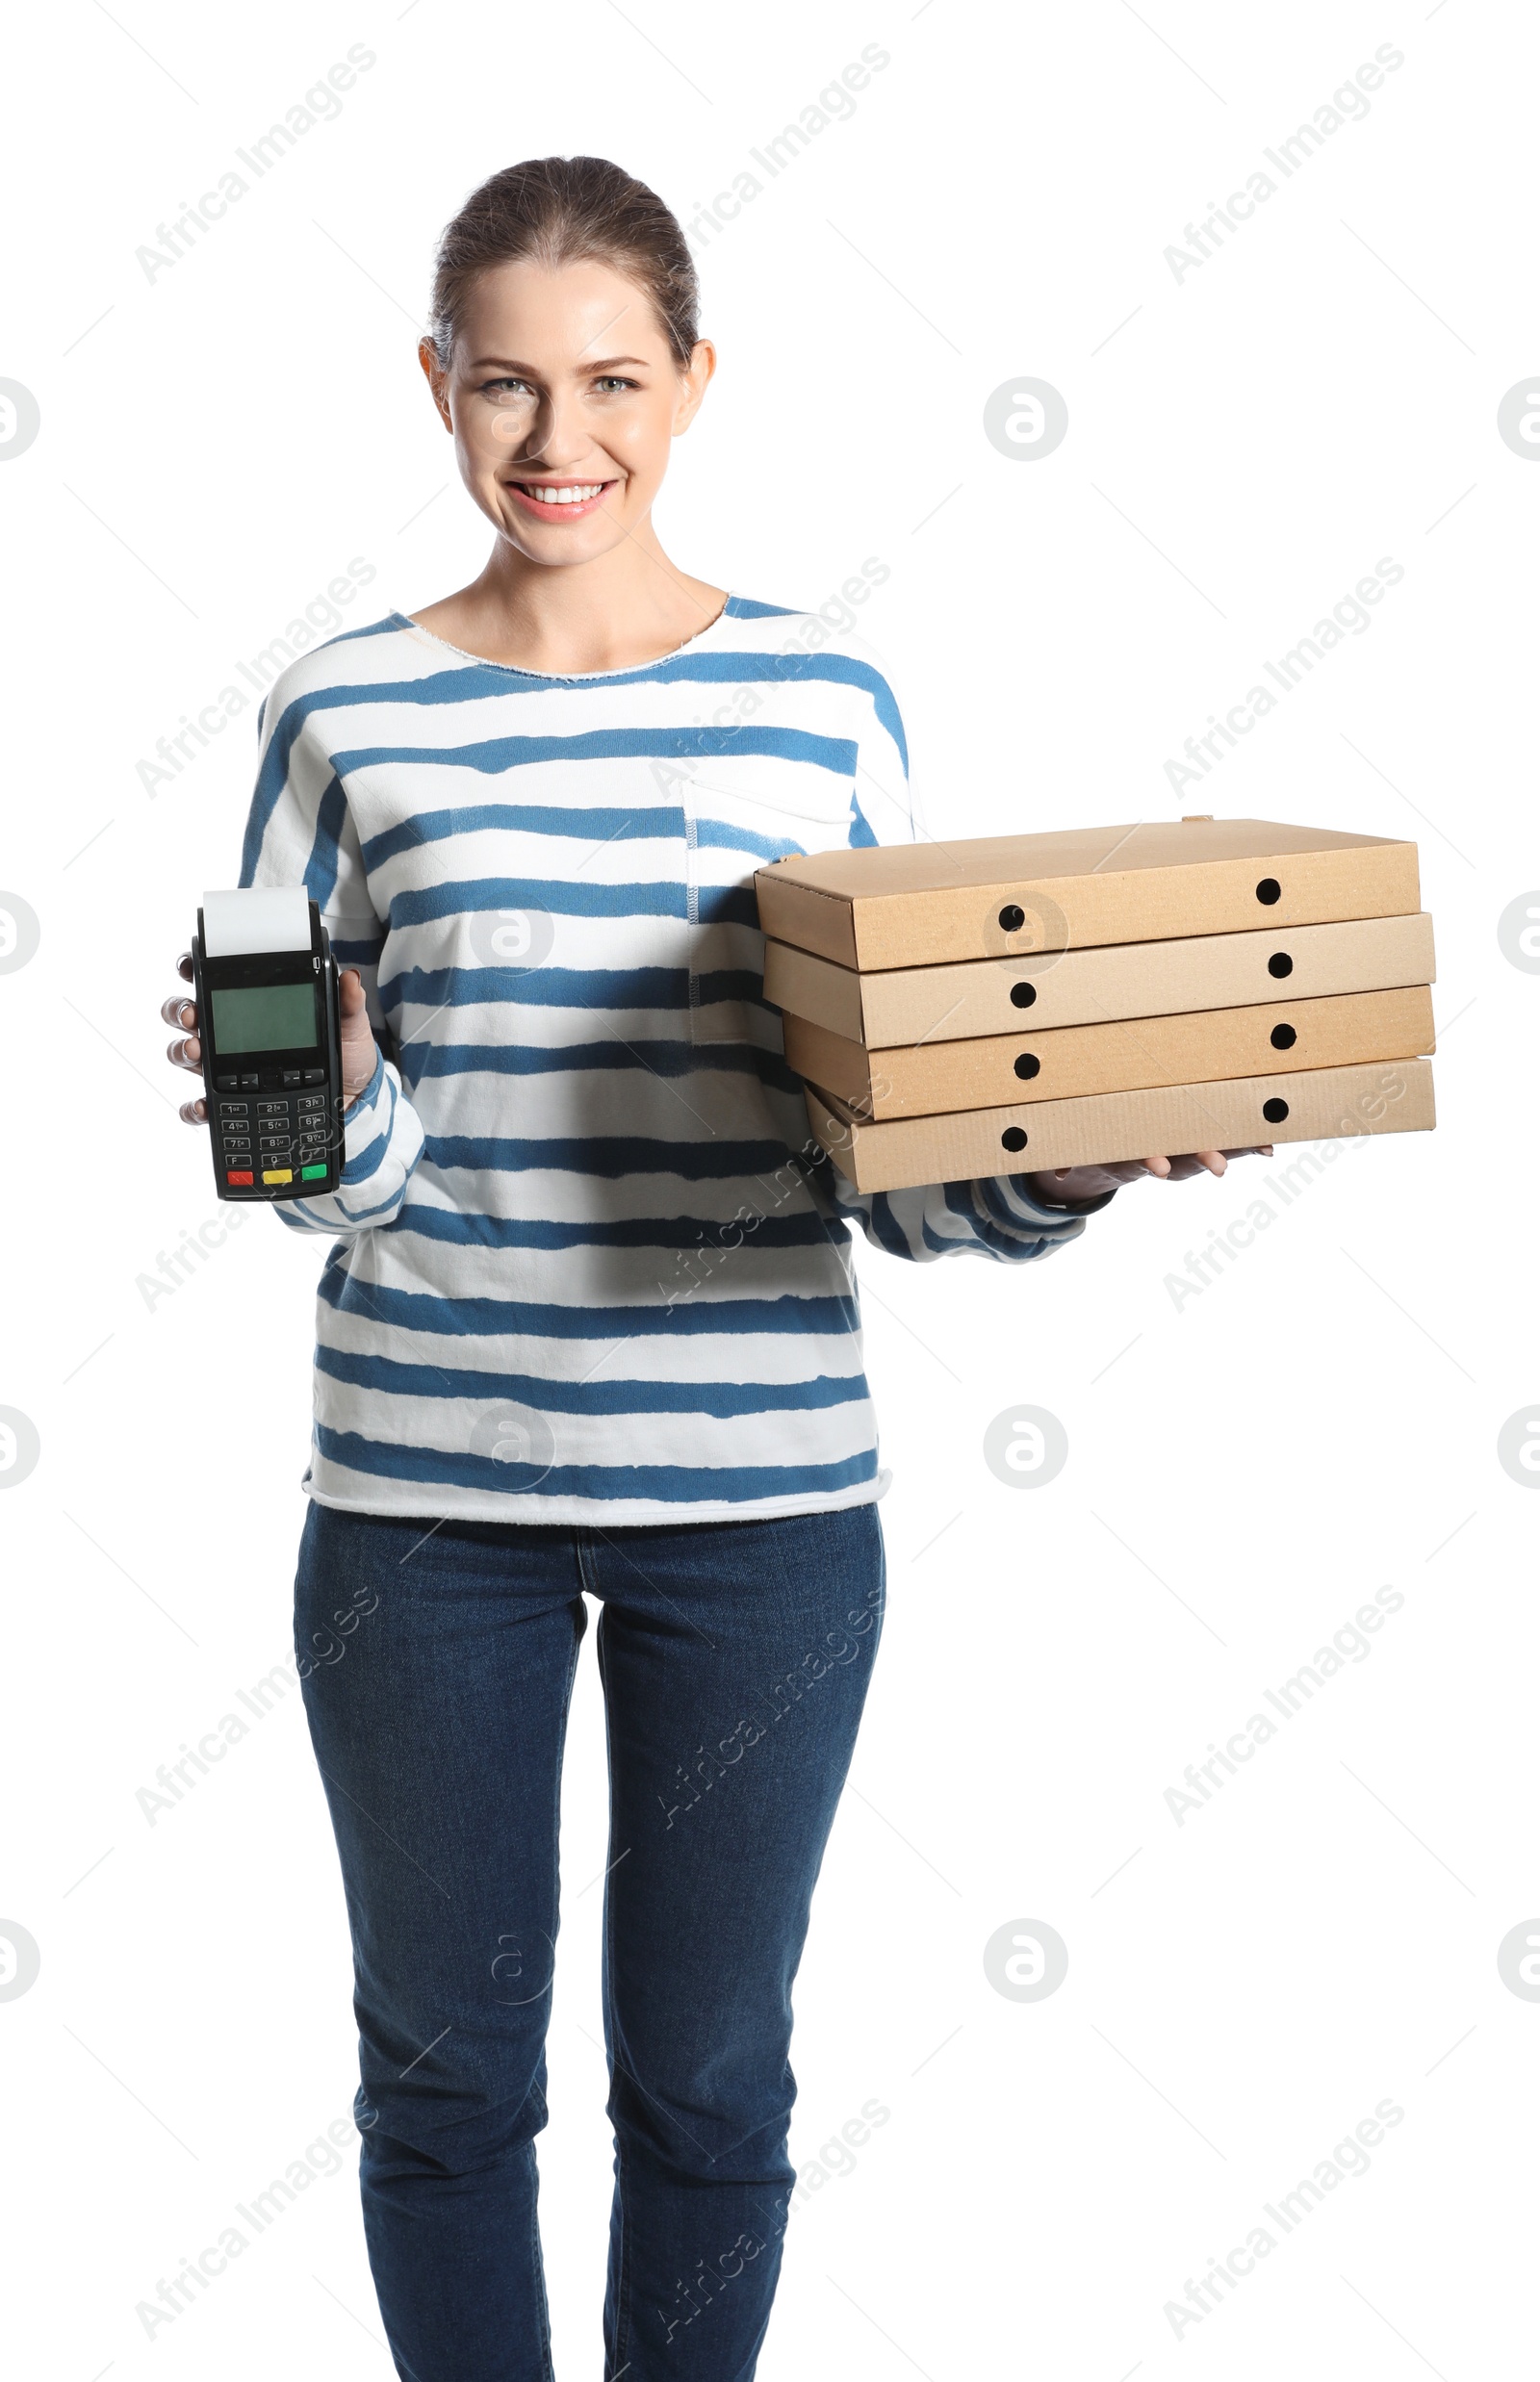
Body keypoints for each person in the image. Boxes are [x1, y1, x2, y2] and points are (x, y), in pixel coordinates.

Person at [162, 154, 1261, 2382]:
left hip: (757, 1506)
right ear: (433, 388)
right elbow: (324, 1182)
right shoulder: (340, 716)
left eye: (609, 379)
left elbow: (887, 1159)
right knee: (448, 2083)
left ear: (693, 385)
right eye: (503, 383)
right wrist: (335, 1094)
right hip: (422, 1504)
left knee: (711, 2082)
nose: (556, 436)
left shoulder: (817, 698)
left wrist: (1070, 1166)